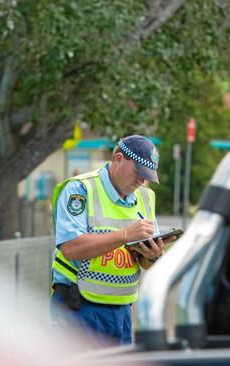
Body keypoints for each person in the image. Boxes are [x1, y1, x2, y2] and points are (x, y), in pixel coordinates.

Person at [50, 135, 176, 344]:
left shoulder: (145, 197)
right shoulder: (80, 190)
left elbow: (142, 261)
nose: (141, 181)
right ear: (118, 159)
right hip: (79, 308)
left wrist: (152, 255)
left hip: (121, 310)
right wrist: (126, 235)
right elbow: (71, 248)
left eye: (147, 177)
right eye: (138, 172)